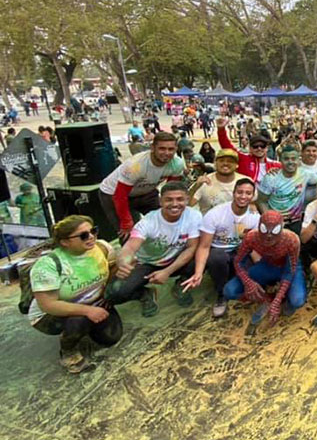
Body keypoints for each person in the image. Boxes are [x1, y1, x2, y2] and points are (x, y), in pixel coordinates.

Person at [28, 216, 121, 373]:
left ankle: (85, 327)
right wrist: (88, 311)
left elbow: (112, 268)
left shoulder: (102, 248)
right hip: (51, 313)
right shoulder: (48, 265)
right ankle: (68, 351)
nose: (91, 237)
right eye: (83, 235)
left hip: (93, 301)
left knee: (111, 337)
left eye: (93, 231)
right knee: (79, 320)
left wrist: (105, 294)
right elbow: (48, 305)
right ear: (65, 242)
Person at [107, 182, 201, 317]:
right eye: (169, 199)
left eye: (180, 199)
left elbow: (191, 248)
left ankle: (181, 283)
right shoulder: (148, 222)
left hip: (176, 259)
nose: (174, 204)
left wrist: (167, 272)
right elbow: (130, 247)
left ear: (187, 200)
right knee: (115, 293)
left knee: (205, 254)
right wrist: (123, 262)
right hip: (148, 263)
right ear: (160, 201)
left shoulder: (194, 216)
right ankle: (145, 293)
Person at [182, 178, 260, 318]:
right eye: (240, 192)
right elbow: (204, 246)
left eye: (248, 193)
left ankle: (233, 277)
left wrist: (262, 268)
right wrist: (198, 272)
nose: (243, 196)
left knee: (249, 280)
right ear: (233, 193)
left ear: (253, 196)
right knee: (217, 257)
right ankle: (220, 294)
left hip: (239, 251)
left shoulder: (255, 217)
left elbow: (253, 247)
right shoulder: (215, 214)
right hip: (218, 251)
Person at [99, 132, 186, 242]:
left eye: (170, 149)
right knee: (129, 233)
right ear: (152, 148)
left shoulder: (177, 164)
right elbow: (120, 196)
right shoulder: (136, 165)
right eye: (162, 149)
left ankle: (167, 252)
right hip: (113, 193)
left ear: (176, 149)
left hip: (145, 191)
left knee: (168, 219)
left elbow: (170, 191)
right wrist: (126, 222)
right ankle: (131, 257)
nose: (166, 153)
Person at [223, 210, 306, 323]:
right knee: (229, 290)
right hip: (268, 265)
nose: (269, 235)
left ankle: (283, 297)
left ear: (281, 229)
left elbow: (289, 271)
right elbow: (238, 262)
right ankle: (266, 298)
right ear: (259, 226)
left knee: (297, 300)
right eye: (264, 229)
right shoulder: (251, 237)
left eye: (275, 231)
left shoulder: (291, 240)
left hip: (289, 268)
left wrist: (277, 301)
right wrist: (248, 283)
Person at [257, 145, 317, 235]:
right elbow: (261, 201)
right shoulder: (271, 178)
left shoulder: (306, 174)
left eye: (293, 159)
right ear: (280, 160)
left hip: (297, 222)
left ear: (298, 160)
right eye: (286, 159)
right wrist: (270, 219)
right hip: (276, 222)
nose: (290, 162)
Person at [216, 116, 280, 187]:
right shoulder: (243, 159)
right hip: (245, 196)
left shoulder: (276, 165)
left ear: (267, 148)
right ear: (250, 148)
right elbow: (226, 146)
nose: (259, 148)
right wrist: (221, 129)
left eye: (262, 146)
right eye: (255, 146)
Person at [188, 148, 251, 215]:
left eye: (230, 161)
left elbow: (253, 204)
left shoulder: (247, 182)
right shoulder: (203, 182)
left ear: (237, 165)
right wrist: (195, 187)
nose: (225, 163)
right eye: (221, 161)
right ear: (215, 163)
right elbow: (188, 204)